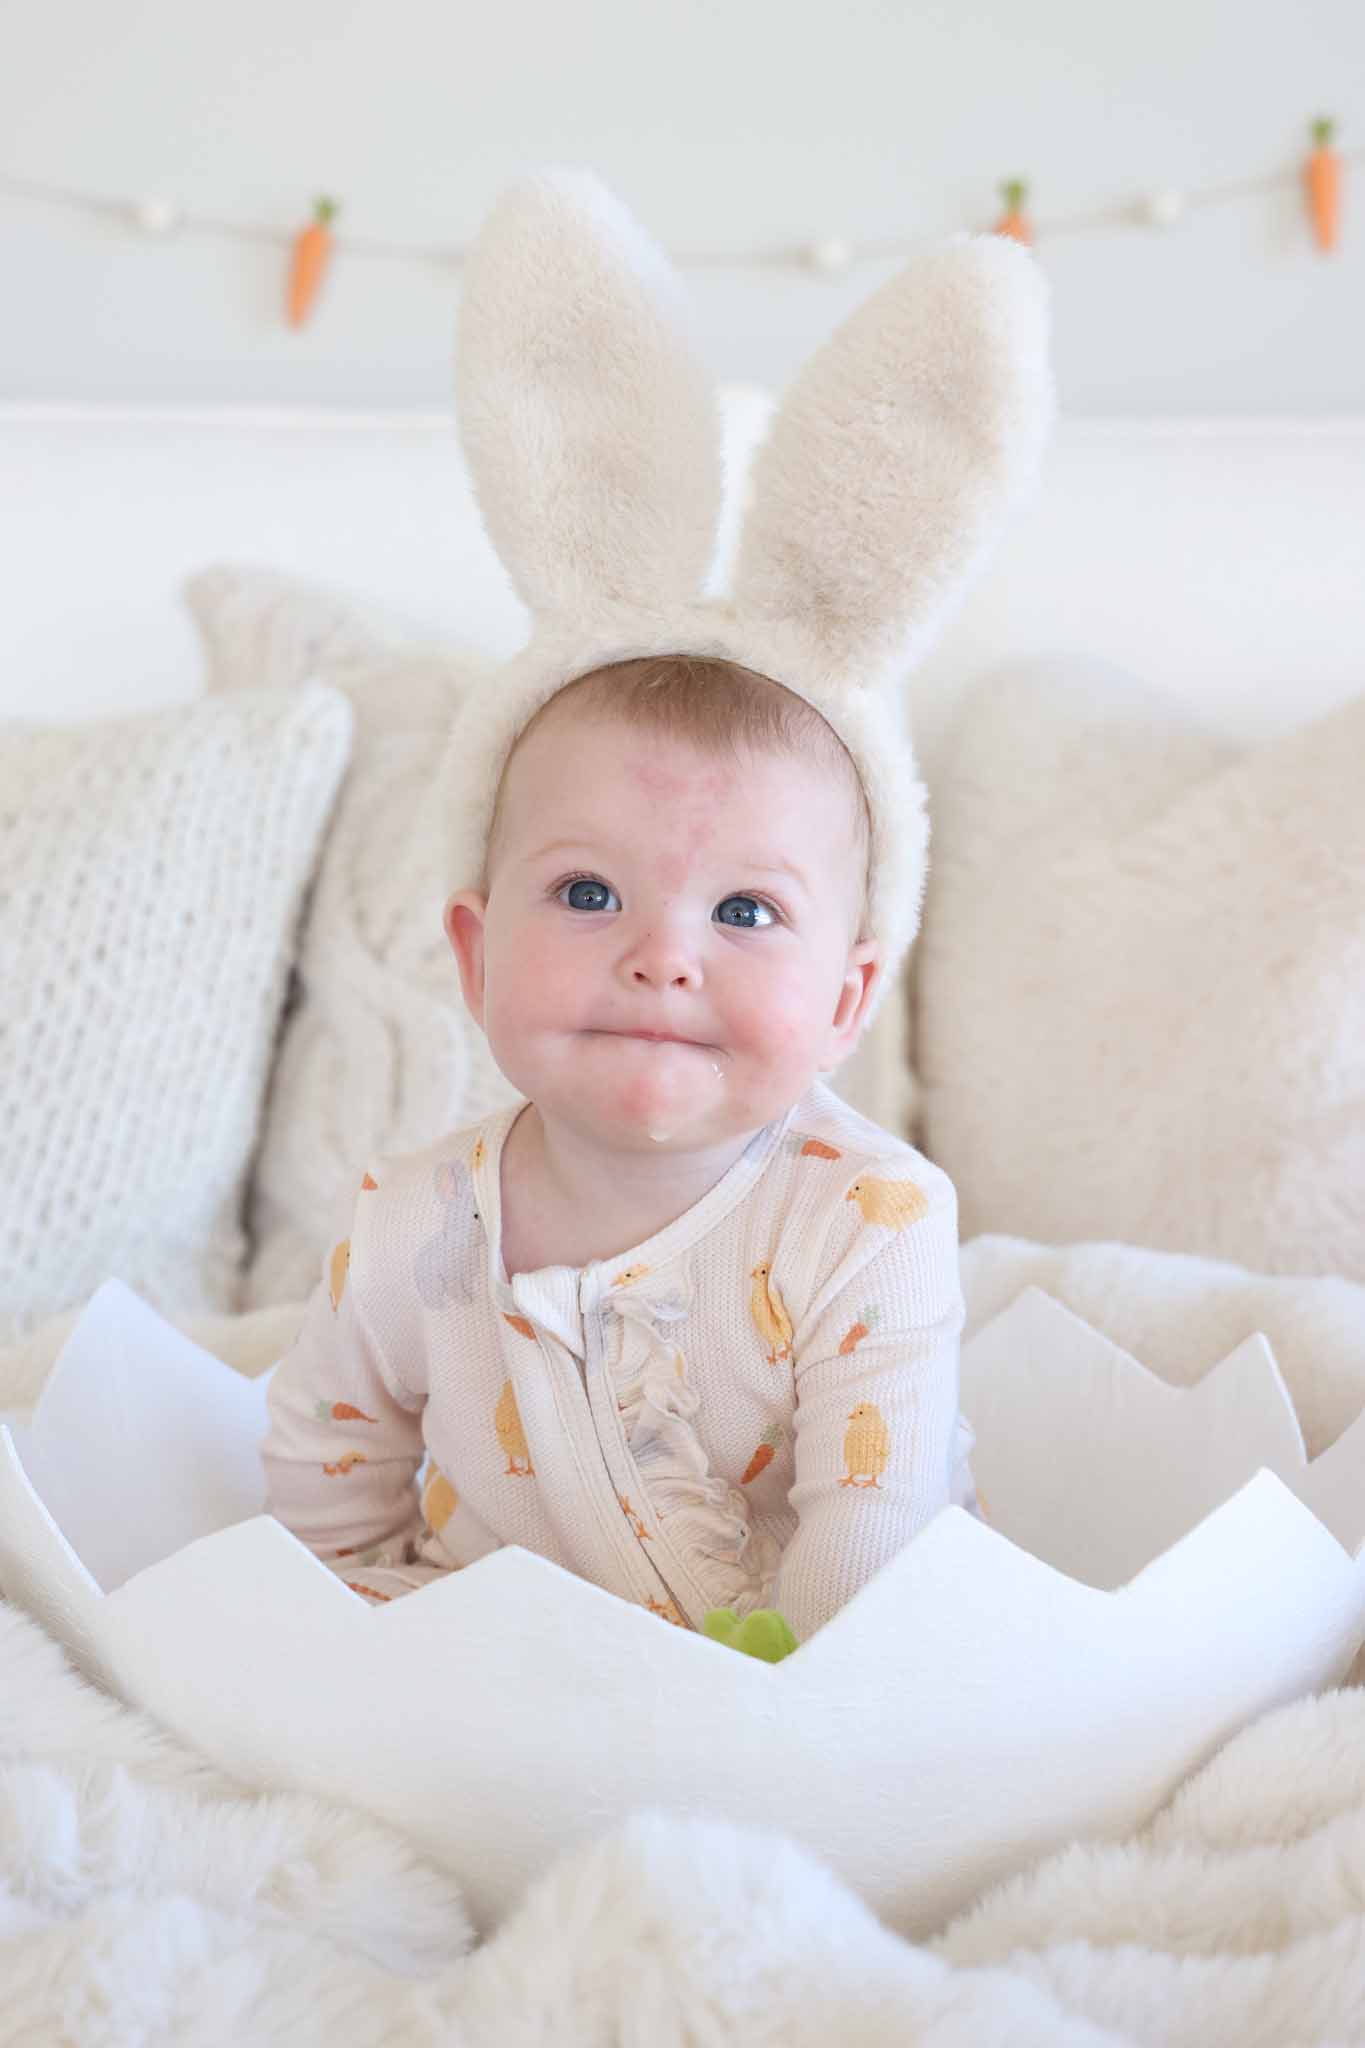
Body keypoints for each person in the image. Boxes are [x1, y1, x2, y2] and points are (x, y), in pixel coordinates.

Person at [260, 165, 1055, 1644]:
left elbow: (867, 1527)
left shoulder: (869, 1222)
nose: (659, 955)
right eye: (585, 890)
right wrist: (358, 1639)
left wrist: (774, 1716)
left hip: (816, 1669)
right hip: (503, 1664)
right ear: (474, 948)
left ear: (847, 995)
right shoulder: (421, 1221)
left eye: (746, 912)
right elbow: (330, 1464)